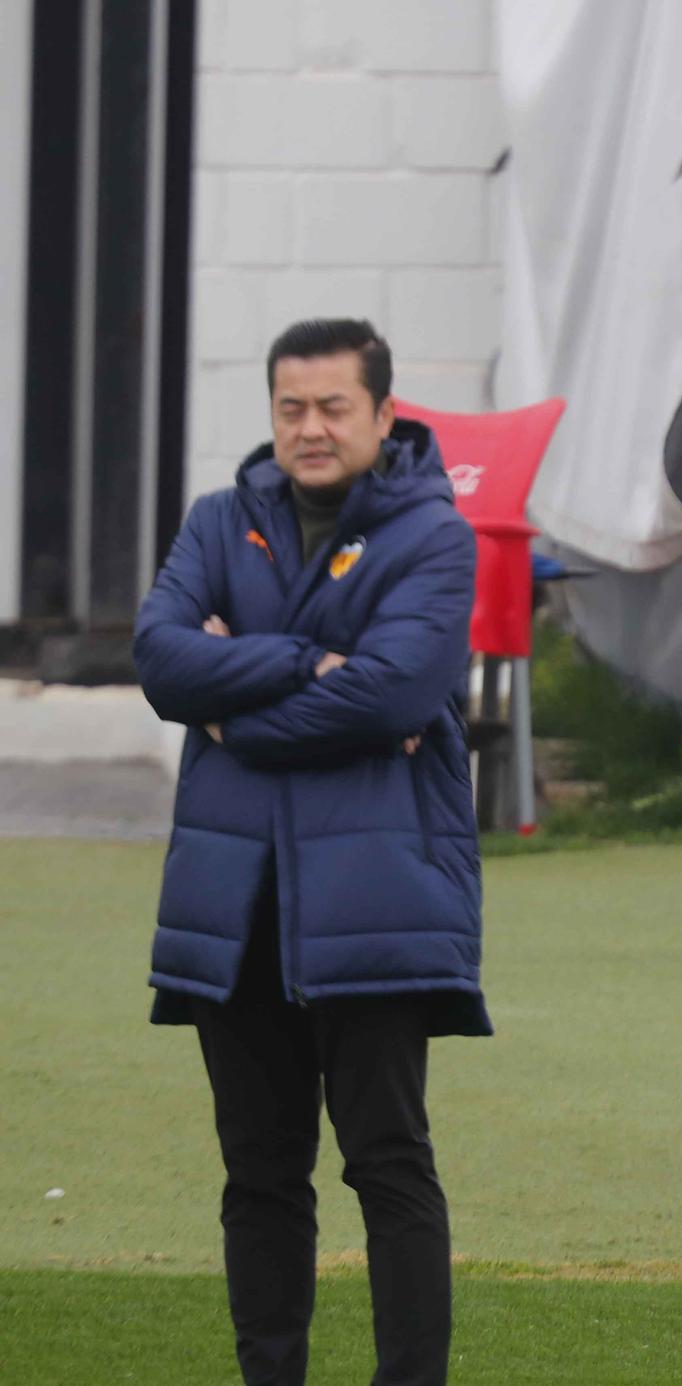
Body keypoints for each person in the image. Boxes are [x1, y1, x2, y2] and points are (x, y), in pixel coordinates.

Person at [134, 318, 484, 1382]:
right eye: (292, 408)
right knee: (260, 1176)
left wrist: (233, 705)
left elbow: (395, 694)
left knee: (388, 1165)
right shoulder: (214, 521)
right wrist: (306, 665)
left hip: (374, 903)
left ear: (384, 415)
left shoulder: (434, 536)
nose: (311, 429)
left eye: (335, 407)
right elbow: (159, 659)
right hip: (234, 906)